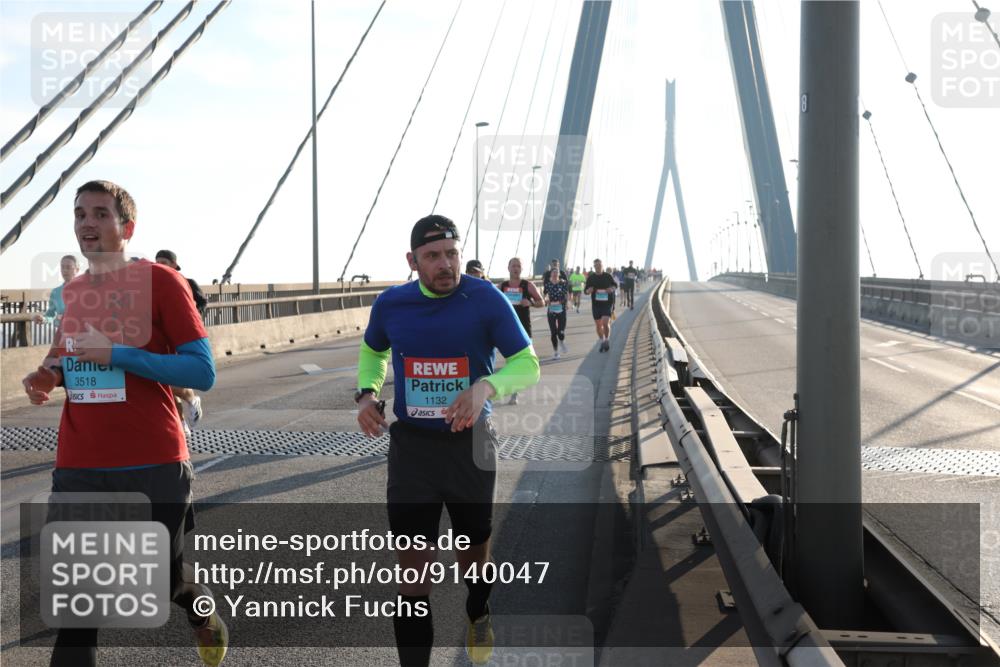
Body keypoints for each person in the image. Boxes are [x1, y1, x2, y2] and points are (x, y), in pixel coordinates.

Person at [20, 180, 226, 667]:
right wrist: (47, 375)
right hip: (80, 465)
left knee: (162, 581)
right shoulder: (73, 292)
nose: (87, 223)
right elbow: (67, 356)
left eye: (100, 214)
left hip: (152, 461)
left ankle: (202, 614)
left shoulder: (161, 282)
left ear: (126, 227)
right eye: (79, 214)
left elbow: (202, 371)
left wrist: (119, 354)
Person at [355, 215, 540, 667]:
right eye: (433, 256)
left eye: (452, 253)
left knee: (473, 555)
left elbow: (527, 363)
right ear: (413, 261)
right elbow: (373, 350)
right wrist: (367, 392)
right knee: (412, 573)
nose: (445, 264)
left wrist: (486, 387)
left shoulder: (485, 298)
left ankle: (478, 608)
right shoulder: (392, 305)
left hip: (470, 446)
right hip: (413, 450)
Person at [155, 249, 206, 434]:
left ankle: (192, 398)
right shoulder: (152, 285)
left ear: (174, 265)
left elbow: (200, 306)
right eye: (157, 261)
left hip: (181, 340)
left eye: (164, 262)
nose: (159, 265)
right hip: (161, 340)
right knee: (164, 384)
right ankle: (181, 423)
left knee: (171, 383)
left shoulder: (186, 283)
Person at [499, 257, 544, 405]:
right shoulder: (502, 286)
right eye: (513, 266)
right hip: (506, 328)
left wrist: (530, 302)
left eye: (518, 266)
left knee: (518, 361)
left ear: (521, 269)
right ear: (508, 268)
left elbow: (541, 302)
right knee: (510, 361)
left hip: (523, 328)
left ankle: (514, 392)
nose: (516, 268)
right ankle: (514, 390)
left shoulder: (528, 285)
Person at [33, 255, 80, 328]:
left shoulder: (85, 290)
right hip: (62, 333)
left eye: (68, 267)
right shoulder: (56, 292)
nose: (65, 270)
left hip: (81, 334)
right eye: (62, 267)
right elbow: (50, 314)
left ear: (77, 270)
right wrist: (43, 319)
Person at [584, 258, 617, 352]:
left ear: (602, 266)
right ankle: (602, 341)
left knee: (605, 323)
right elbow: (585, 290)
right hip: (596, 304)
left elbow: (615, 285)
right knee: (598, 325)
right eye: (596, 265)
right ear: (594, 267)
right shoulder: (591, 278)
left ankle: (606, 340)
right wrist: (588, 291)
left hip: (607, 303)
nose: (598, 267)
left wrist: (611, 289)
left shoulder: (608, 276)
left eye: (600, 265)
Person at [543, 268, 570, 359]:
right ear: (551, 275)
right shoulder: (548, 284)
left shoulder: (563, 283)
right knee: (553, 332)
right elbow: (545, 295)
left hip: (561, 309)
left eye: (556, 273)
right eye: (553, 273)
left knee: (561, 332)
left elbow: (566, 295)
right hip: (551, 310)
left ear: (558, 274)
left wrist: (565, 303)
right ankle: (556, 352)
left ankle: (561, 341)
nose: (554, 274)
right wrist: (546, 300)